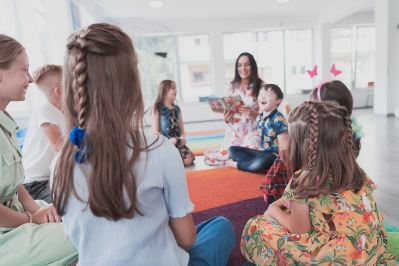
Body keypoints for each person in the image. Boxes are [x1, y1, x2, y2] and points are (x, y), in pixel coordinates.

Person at [52, 23, 235, 266]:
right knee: (220, 227)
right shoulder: (158, 150)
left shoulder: (60, 164)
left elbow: (80, 240)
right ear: (130, 84)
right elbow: (187, 240)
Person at [241, 101, 397, 265]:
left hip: (332, 259)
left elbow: (299, 230)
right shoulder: (355, 170)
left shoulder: (302, 180)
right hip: (369, 251)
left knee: (256, 226)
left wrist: (273, 210)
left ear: (300, 145)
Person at [0, 34, 77, 265]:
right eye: (24, 70)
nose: (30, 78)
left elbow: (14, 183)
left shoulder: (6, 122)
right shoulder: (44, 111)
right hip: (8, 232)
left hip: (17, 213)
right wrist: (31, 218)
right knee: (86, 232)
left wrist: (35, 209)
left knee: (78, 214)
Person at [260, 80, 362, 204]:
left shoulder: (304, 178)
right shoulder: (350, 136)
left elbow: (298, 222)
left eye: (314, 104)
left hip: (304, 199)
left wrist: (274, 209)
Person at [205, 52, 264, 165]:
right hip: (234, 131)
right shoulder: (230, 87)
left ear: (253, 66)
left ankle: (241, 161)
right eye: (240, 65)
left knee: (252, 149)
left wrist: (254, 114)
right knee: (228, 153)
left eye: (247, 65)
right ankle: (241, 161)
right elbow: (228, 116)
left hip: (253, 131)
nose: (243, 68)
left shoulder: (262, 87)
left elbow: (267, 117)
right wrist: (227, 118)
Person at [22, 64, 65, 203]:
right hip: (34, 185)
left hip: (52, 180)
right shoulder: (44, 110)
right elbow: (60, 146)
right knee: (70, 203)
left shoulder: (64, 114)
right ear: (59, 91)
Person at [228, 84, 288, 173]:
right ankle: (252, 165)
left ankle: (242, 165)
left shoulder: (278, 119)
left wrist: (283, 165)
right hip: (262, 153)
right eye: (261, 95)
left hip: (273, 156)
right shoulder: (260, 117)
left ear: (278, 100)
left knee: (262, 161)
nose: (262, 97)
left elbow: (284, 146)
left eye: (268, 95)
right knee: (232, 150)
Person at [151, 80, 195, 166]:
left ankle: (175, 160)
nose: (176, 90)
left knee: (188, 160)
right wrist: (167, 141)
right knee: (171, 162)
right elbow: (155, 131)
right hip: (164, 143)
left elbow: (182, 130)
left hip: (177, 142)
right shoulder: (157, 108)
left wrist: (182, 138)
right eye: (173, 88)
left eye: (176, 88)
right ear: (164, 91)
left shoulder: (177, 109)